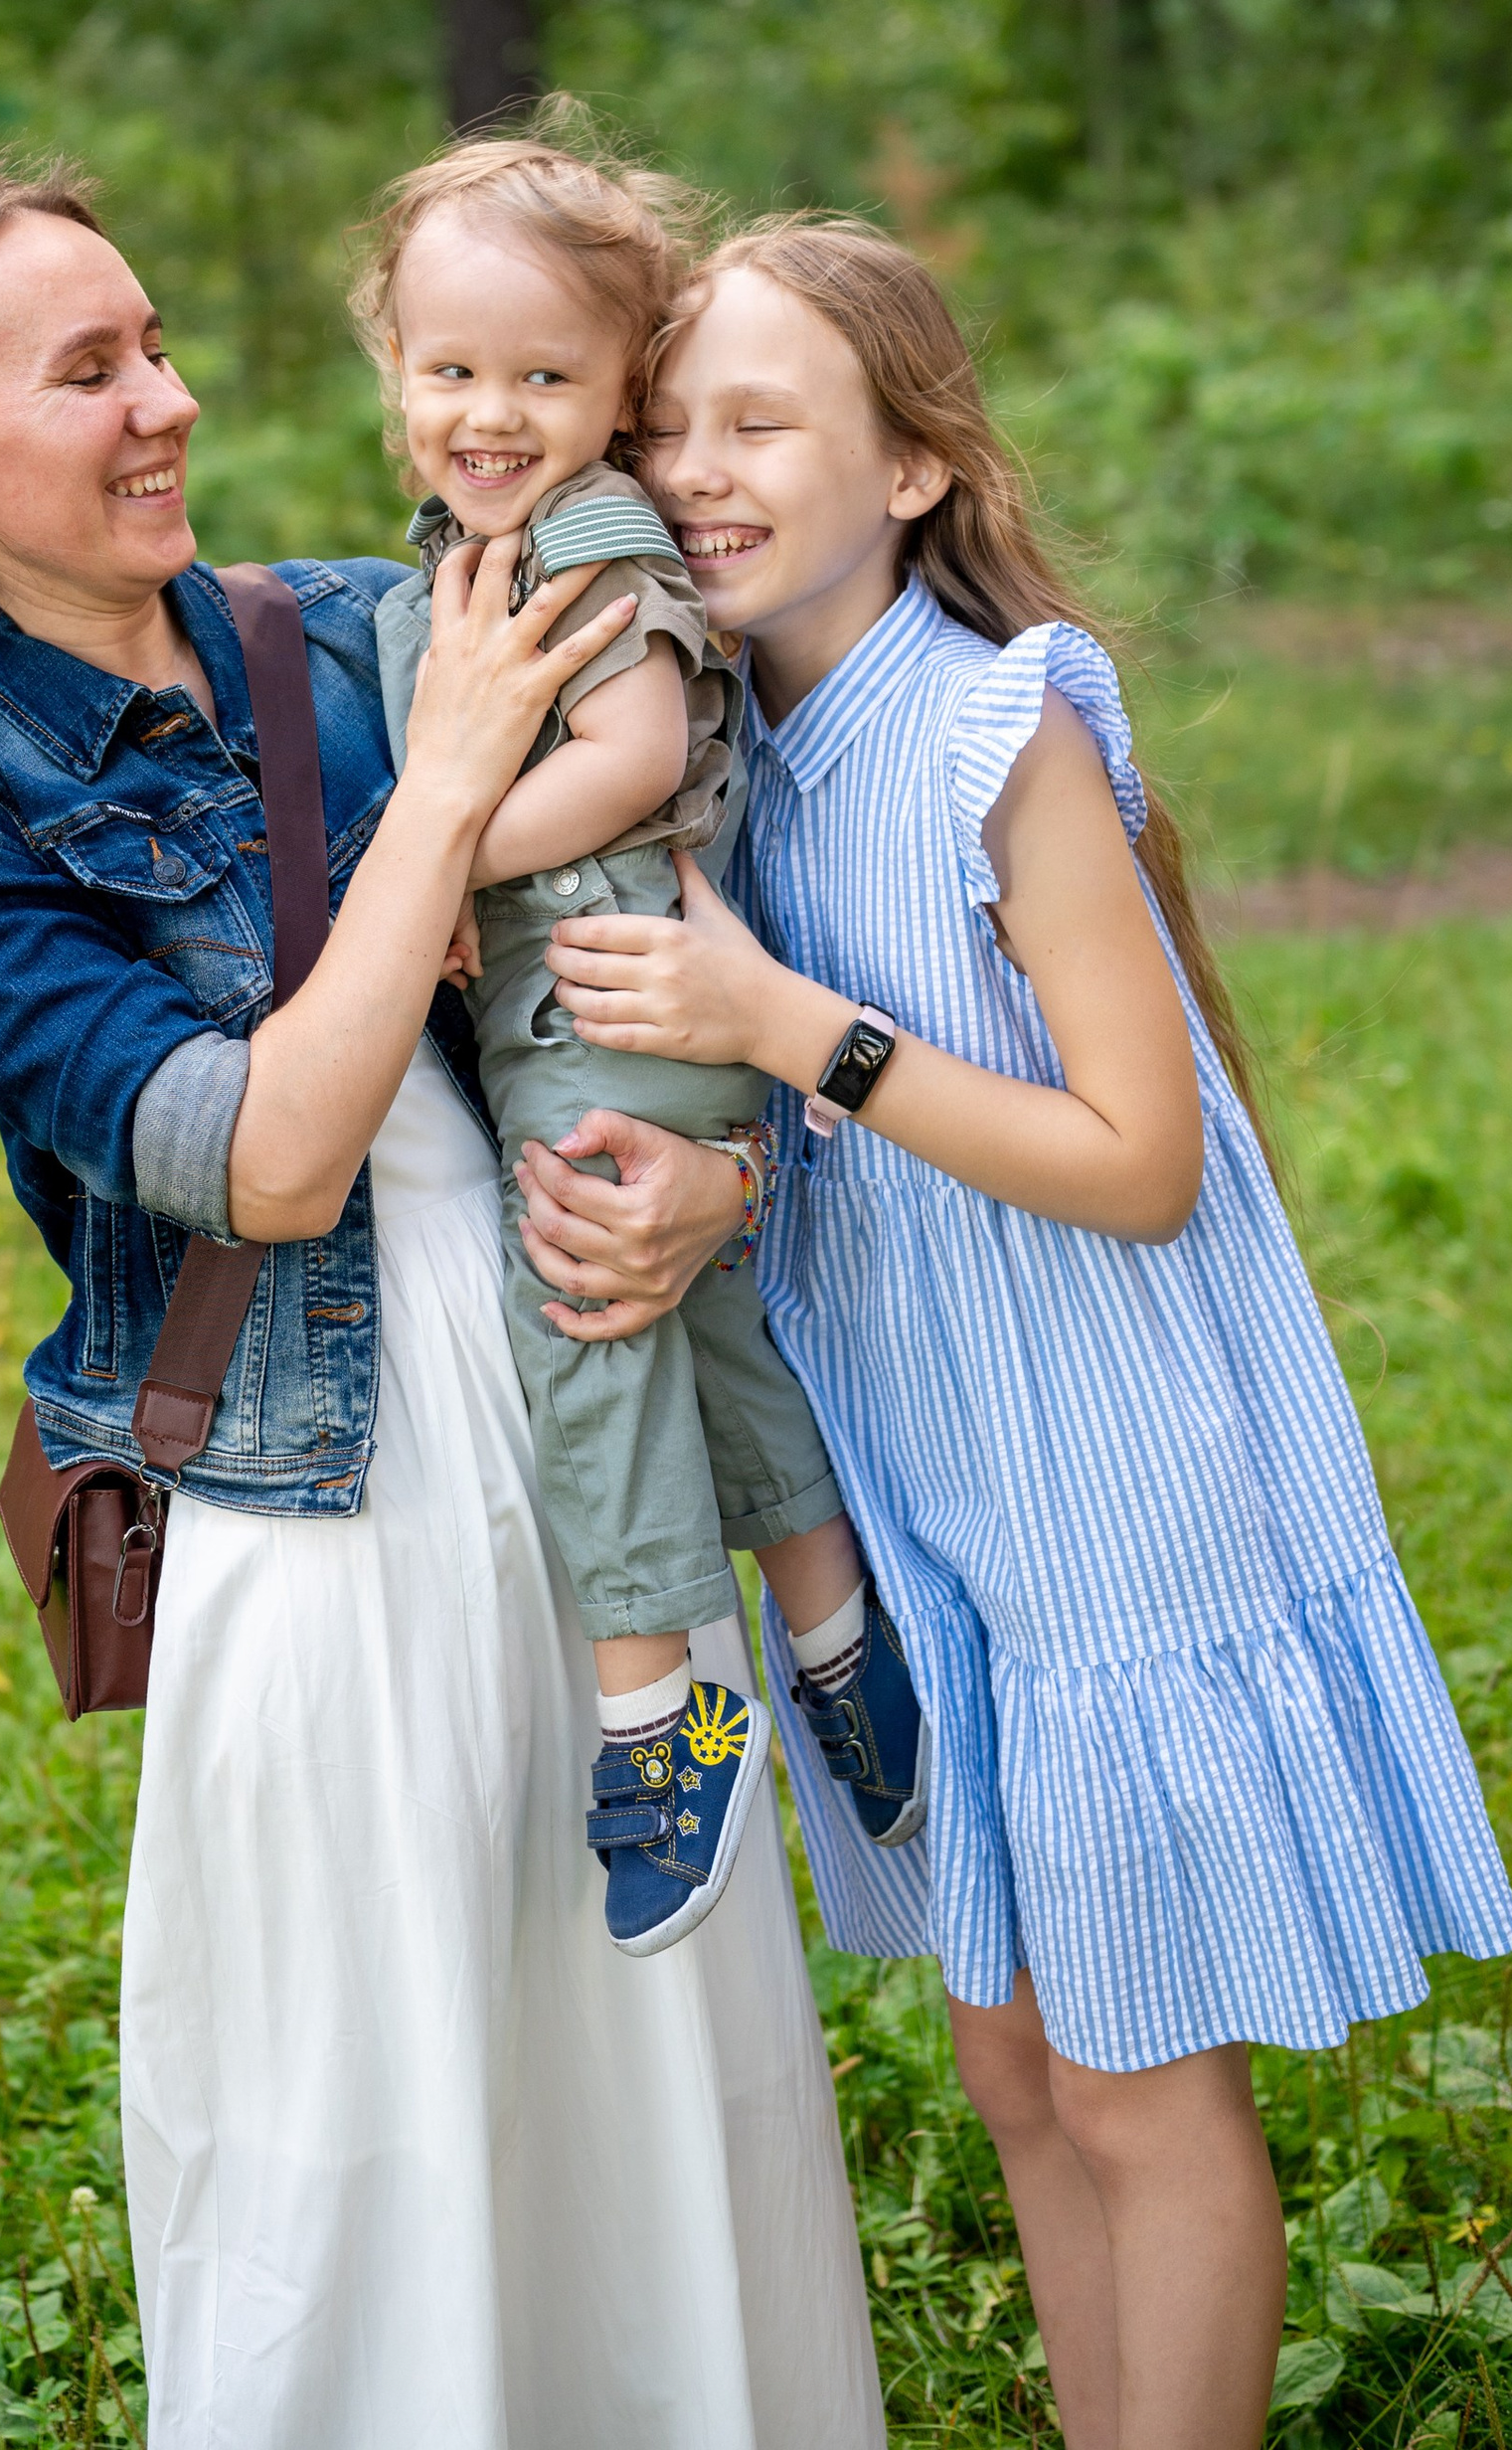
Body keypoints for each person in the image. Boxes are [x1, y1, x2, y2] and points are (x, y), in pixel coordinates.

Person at [0, 168, 884, 2450]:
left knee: (649, 2104)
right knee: (355, 2137)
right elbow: (275, 1155)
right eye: (85, 371)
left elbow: (676, 901)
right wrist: (457, 779)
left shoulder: (366, 631)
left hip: (586, 1427)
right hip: (313, 1508)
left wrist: (722, 1172)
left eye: (158, 339)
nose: (165, 401)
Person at [530, 215, 1512, 2450]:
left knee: (1128, 2063)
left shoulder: (998, 727)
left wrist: (791, 1030)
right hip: (917, 1471)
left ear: (906, 466)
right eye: (665, 423)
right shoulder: (716, 753)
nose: (693, 467)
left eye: (759, 421)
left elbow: (1132, 1156)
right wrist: (729, 1161)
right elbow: (821, 1124)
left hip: (1105, 1473)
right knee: (1006, 2056)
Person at [356, 135, 923, 1953]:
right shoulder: (470, 545)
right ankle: (839, 1642)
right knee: (706, 1315)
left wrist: (434, 851)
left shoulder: (588, 530)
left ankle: (659, 1706)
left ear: (621, 386)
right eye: (451, 370)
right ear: (393, 369)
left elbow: (637, 760)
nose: (491, 412)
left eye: (545, 376)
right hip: (599, 999)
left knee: (585, 1314)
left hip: (615, 993)